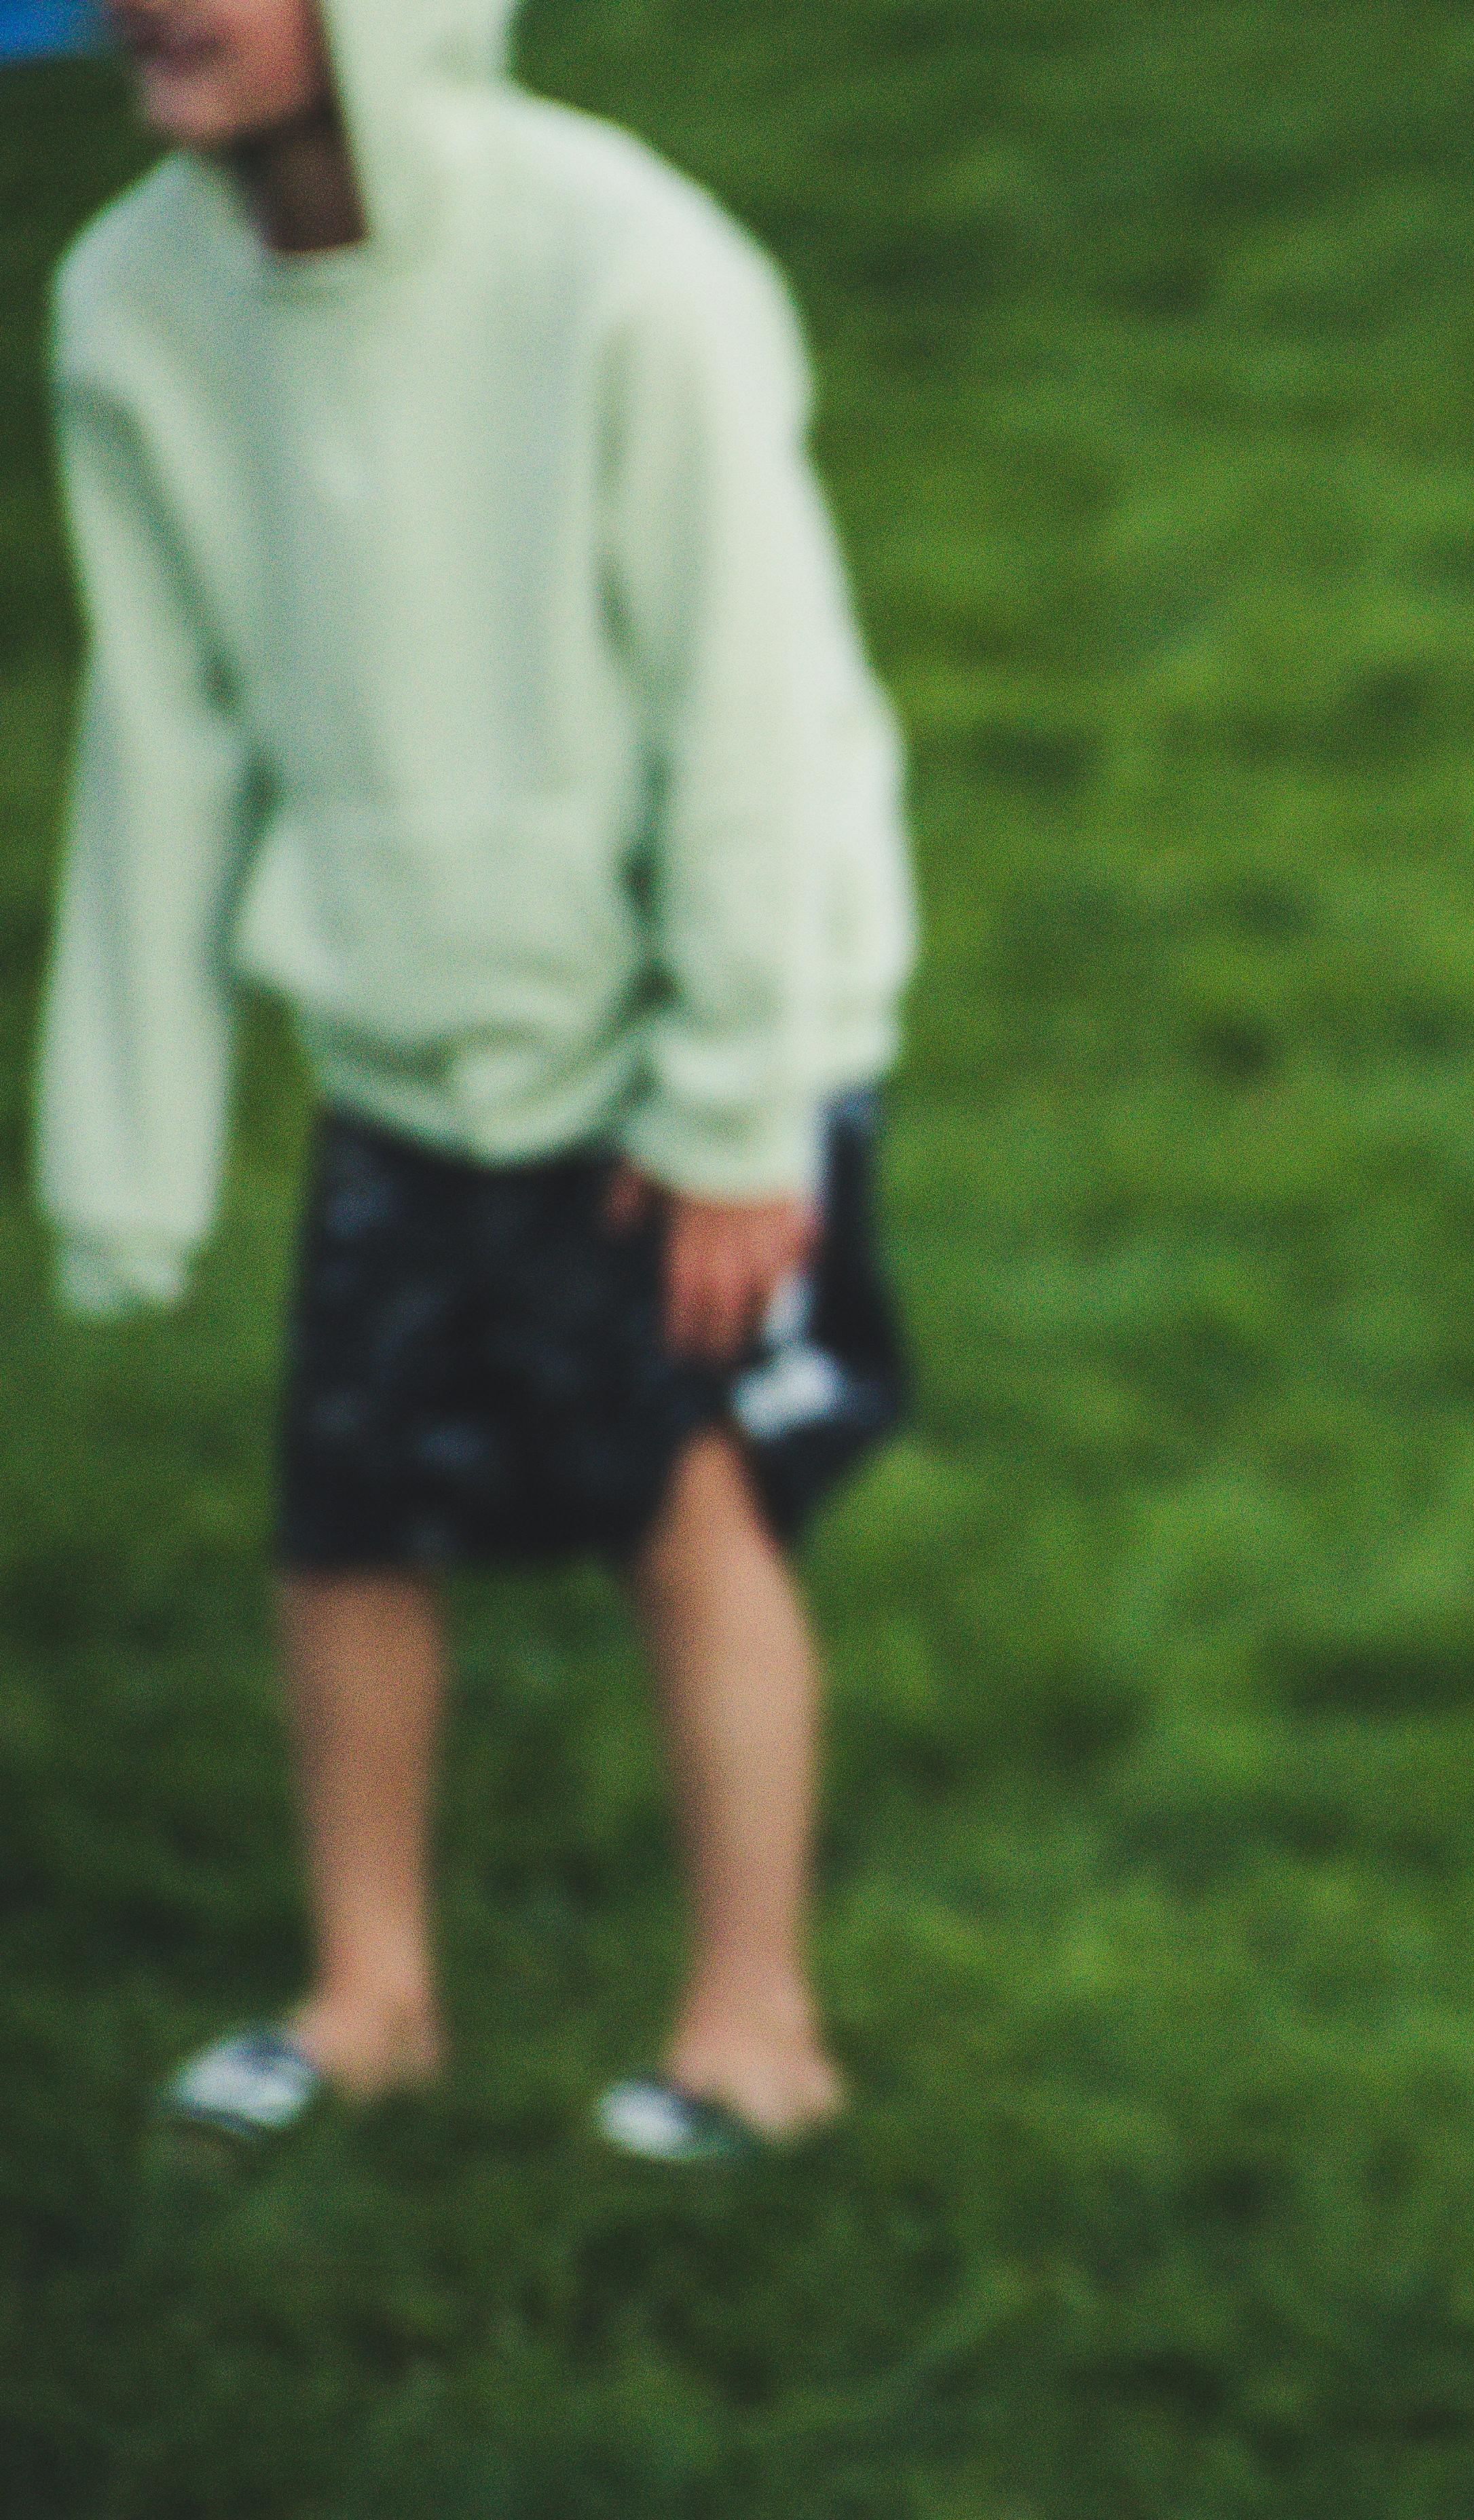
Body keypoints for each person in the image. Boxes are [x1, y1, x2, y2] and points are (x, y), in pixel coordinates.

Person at [39, 0, 915, 2159]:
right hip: (399, 1037)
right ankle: (370, 1996)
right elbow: (157, 737)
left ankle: (754, 2031)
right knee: (345, 1511)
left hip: (685, 1033)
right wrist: (124, 1152)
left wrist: (735, 1109)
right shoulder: (129, 303)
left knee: (682, 1506)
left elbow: (752, 707)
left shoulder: (626, 270)